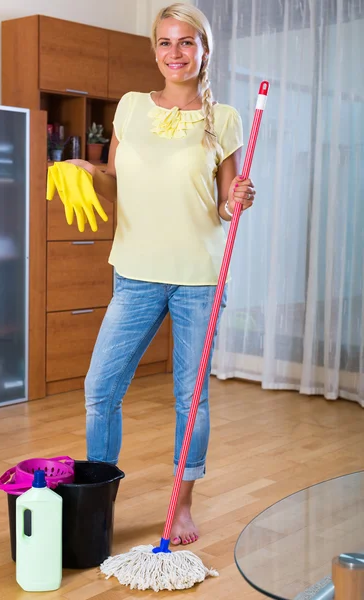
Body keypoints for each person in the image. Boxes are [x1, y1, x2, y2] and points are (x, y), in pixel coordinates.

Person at [68, 2, 255, 546]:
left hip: (199, 276)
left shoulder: (224, 118)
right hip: (135, 273)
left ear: (203, 50)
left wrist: (240, 198)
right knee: (100, 389)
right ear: (155, 50)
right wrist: (85, 168)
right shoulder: (129, 108)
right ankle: (99, 497)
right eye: (166, 43)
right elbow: (112, 180)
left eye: (186, 43)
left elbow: (225, 205)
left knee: (189, 398)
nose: (176, 53)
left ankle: (182, 506)